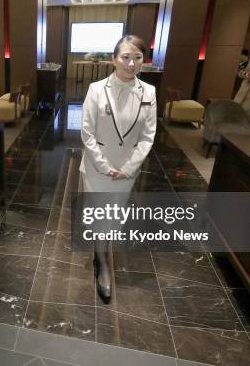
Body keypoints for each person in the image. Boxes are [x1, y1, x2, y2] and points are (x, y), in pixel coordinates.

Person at [80, 35, 157, 303]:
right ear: (114, 59)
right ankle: (103, 266)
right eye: (125, 57)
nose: (131, 63)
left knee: (112, 218)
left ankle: (100, 252)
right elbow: (87, 133)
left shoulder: (149, 92)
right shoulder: (95, 89)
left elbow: (148, 136)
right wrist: (104, 165)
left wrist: (129, 167)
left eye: (137, 57)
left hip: (126, 170)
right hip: (97, 167)